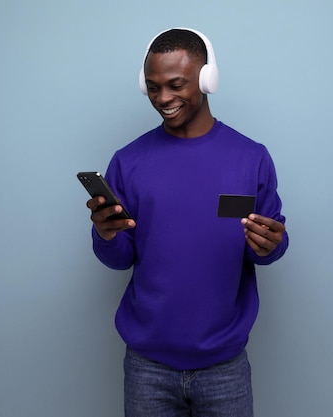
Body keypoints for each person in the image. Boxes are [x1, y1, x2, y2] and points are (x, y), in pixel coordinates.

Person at [84, 27, 288, 417]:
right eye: (153, 87)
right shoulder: (128, 161)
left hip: (224, 367)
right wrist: (106, 233)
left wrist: (272, 244)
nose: (163, 98)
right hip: (147, 367)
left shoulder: (251, 157)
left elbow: (267, 247)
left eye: (176, 85)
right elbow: (119, 259)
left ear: (207, 79)